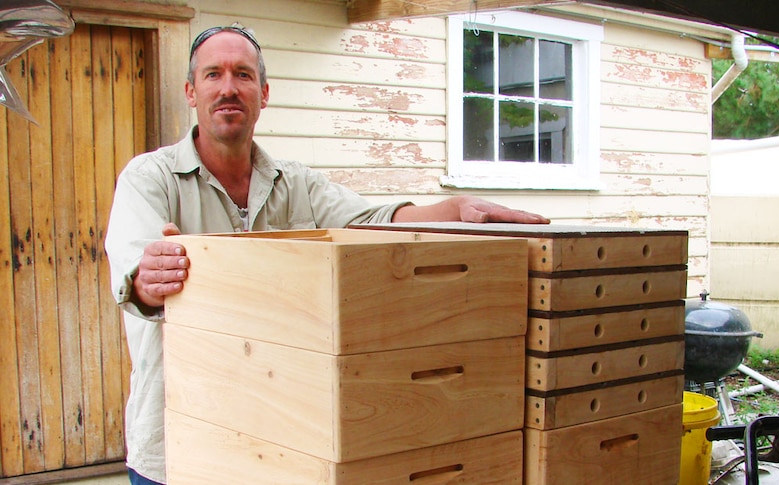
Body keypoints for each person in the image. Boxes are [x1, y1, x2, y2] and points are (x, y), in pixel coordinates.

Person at [105, 24, 548, 485]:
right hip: (177, 440)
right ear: (191, 92)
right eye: (213, 75)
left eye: (243, 75)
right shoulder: (149, 178)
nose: (228, 88)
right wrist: (149, 280)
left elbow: (371, 218)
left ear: (264, 92)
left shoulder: (295, 182)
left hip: (277, 439)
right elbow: (136, 271)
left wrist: (454, 208)